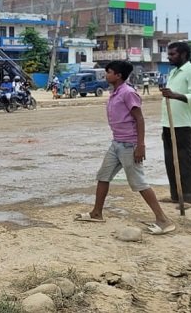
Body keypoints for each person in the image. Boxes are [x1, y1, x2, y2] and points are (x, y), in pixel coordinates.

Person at [75, 61, 175, 234]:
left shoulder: (128, 93)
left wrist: (140, 145)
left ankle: (163, 220)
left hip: (130, 144)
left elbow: (139, 119)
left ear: (118, 75)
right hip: (116, 143)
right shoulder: (114, 93)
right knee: (103, 176)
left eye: (109, 72)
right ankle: (96, 213)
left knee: (139, 182)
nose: (106, 75)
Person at [160, 41, 191, 205]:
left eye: (172, 54)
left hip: (182, 124)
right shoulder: (174, 72)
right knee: (170, 160)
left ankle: (190, 196)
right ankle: (176, 195)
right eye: (168, 54)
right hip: (168, 123)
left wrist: (175, 95)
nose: (169, 57)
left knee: (184, 160)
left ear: (183, 54)